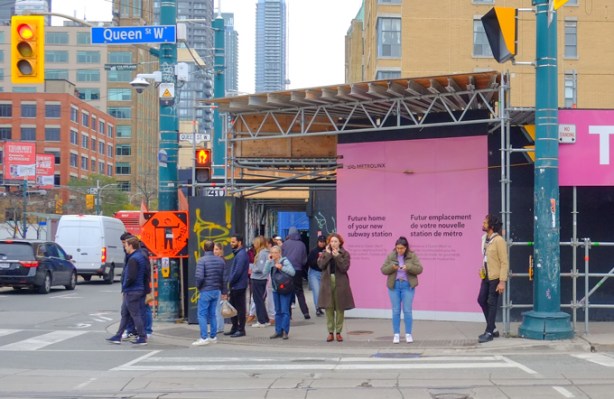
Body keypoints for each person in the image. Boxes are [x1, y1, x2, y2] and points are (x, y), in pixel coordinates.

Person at [106, 237, 149, 345]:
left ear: (131, 246)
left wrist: (125, 285)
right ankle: (118, 335)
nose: (125, 248)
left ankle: (142, 337)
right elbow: (144, 273)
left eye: (126, 245)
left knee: (135, 314)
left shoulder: (133, 259)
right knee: (125, 313)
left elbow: (131, 276)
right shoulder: (140, 256)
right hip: (137, 289)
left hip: (132, 290)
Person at [380, 236, 423, 344]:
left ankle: (408, 334)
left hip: (407, 285)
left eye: (402, 248)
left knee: (407, 310)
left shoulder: (412, 256)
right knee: (396, 310)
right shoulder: (391, 255)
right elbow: (383, 270)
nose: (399, 250)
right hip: (394, 285)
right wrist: (392, 267)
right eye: (398, 248)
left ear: (406, 248)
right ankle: (396, 334)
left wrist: (408, 266)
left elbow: (420, 269)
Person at [317, 233, 355, 342]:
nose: (333, 243)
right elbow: (320, 265)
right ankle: (330, 332)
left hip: (340, 283)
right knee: (328, 308)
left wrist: (337, 256)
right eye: (332, 241)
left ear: (340, 243)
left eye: (335, 241)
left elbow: (344, 267)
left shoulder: (344, 253)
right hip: (327, 282)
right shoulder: (324, 253)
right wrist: (328, 255)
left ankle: (338, 332)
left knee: (339, 308)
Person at [477, 214, 509, 343]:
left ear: (491, 226)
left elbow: (504, 262)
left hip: (495, 277)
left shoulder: (499, 240)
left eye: (485, 222)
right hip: (486, 276)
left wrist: (502, 281)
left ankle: (489, 332)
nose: (482, 224)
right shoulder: (485, 238)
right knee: (481, 300)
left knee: (492, 303)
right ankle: (493, 328)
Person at [192, 240, 227, 346]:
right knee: (212, 314)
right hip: (216, 290)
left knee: (202, 314)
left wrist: (199, 287)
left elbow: (199, 277)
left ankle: (203, 337)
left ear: (204, 248)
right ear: (213, 249)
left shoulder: (201, 261)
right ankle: (213, 336)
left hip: (206, 290)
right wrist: (224, 291)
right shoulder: (220, 261)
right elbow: (224, 278)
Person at [265, 245, 295, 340]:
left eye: (275, 253)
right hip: (275, 289)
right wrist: (268, 262)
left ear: (279, 253)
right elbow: (264, 272)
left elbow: (292, 272)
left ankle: (285, 331)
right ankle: (278, 331)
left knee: (284, 310)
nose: (273, 254)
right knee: (277, 311)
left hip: (284, 288)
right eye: (272, 252)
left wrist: (281, 267)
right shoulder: (271, 262)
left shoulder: (285, 261)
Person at [282, 227, 310, 320]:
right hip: (298, 270)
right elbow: (304, 259)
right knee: (299, 291)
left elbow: (282, 257)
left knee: (288, 292)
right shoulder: (302, 244)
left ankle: (288, 314)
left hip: (287, 270)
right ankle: (305, 312)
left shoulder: (285, 244)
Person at [224, 234, 249, 338]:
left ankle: (241, 329)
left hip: (239, 286)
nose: (231, 244)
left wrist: (230, 281)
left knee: (239, 308)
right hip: (236, 285)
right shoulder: (238, 254)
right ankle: (234, 328)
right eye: (231, 242)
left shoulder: (241, 255)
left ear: (240, 242)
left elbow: (237, 272)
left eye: (233, 242)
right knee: (233, 308)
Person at [250, 236, 271, 327]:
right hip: (262, 278)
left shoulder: (262, 253)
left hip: (258, 278)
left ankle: (261, 321)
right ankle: (265, 319)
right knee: (260, 300)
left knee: (258, 300)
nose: (254, 245)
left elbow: (260, 268)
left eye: (255, 243)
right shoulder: (265, 253)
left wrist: (252, 267)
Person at [307, 235, 327, 316]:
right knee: (316, 291)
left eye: (323, 242)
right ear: (318, 242)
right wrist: (318, 260)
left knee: (323, 292)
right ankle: (318, 308)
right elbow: (309, 262)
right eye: (320, 242)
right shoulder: (314, 251)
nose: (322, 243)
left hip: (324, 272)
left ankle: (321, 306)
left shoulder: (327, 251)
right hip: (314, 272)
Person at [214, 242, 227, 333]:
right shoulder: (218, 260)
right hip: (217, 286)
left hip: (218, 287)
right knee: (217, 308)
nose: (215, 251)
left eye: (217, 249)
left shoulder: (221, 261)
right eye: (214, 249)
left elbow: (224, 277)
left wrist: (224, 291)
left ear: (221, 250)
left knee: (218, 308)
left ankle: (219, 327)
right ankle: (219, 327)